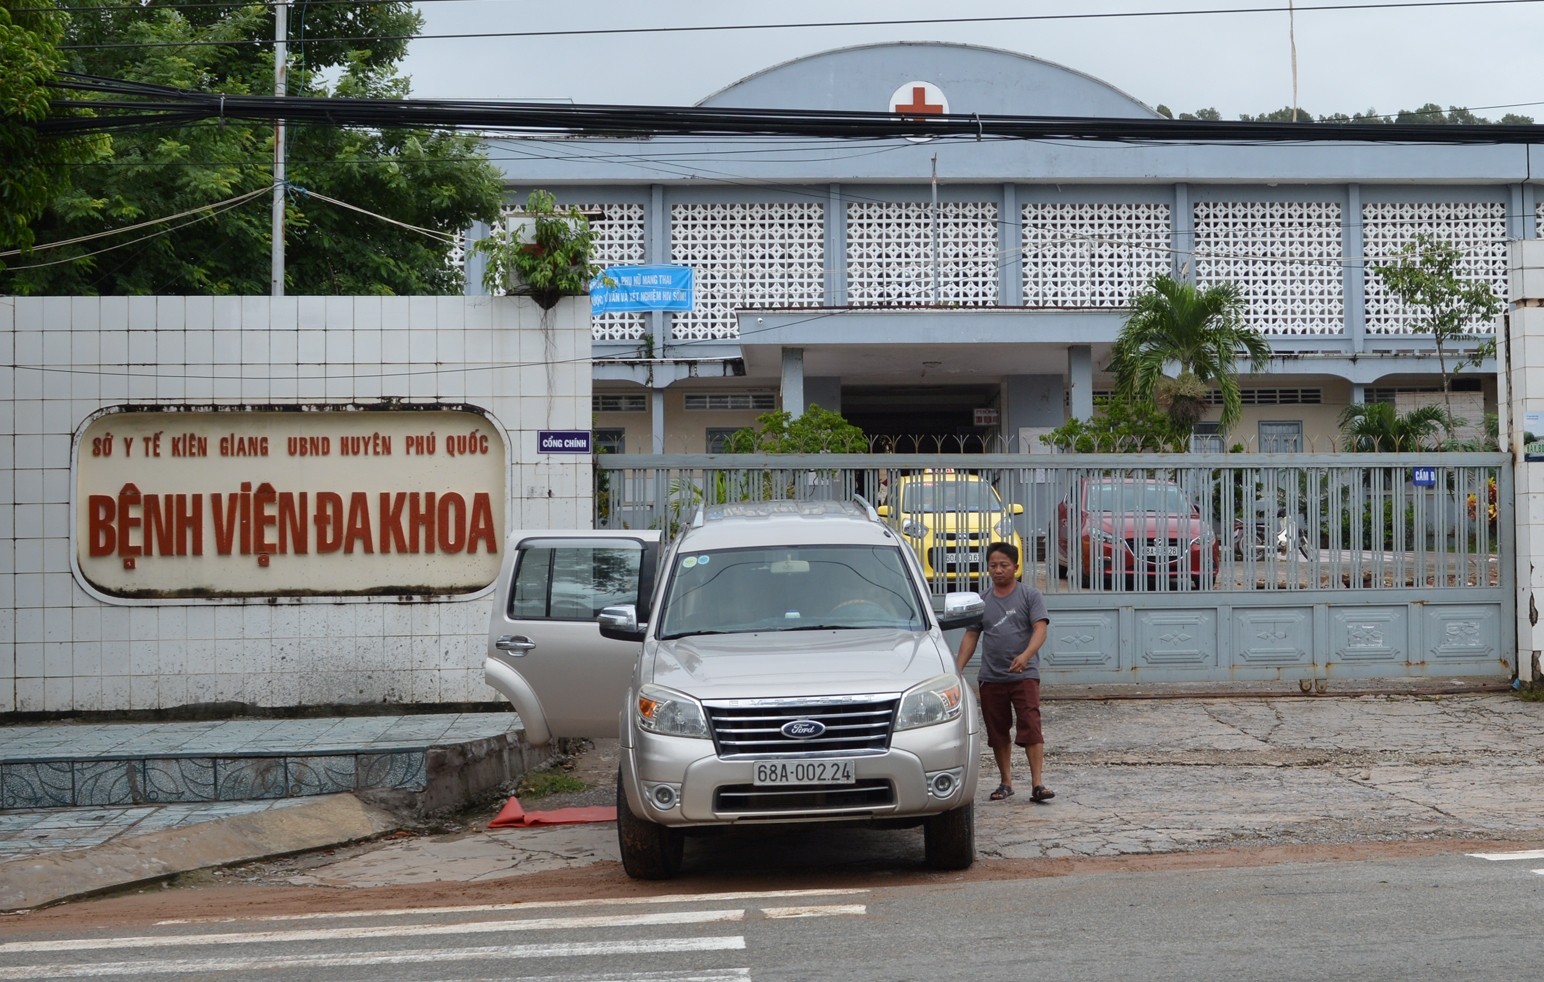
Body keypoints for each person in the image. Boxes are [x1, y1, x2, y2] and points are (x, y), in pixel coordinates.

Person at [955, 541, 1054, 803]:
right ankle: (1006, 782)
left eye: (1004, 565)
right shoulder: (982, 600)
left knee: (1031, 726)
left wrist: (1025, 656)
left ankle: (1037, 784)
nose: (998, 570)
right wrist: (956, 670)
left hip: (1025, 675)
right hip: (991, 678)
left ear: (1016, 567)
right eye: (993, 566)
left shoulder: (1029, 596)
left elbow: (1040, 629)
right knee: (997, 731)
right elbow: (970, 637)